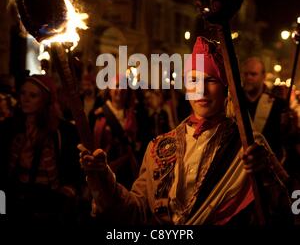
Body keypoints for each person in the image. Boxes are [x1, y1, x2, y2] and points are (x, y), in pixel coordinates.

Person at [79, 37, 292, 225]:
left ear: (226, 87)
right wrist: (102, 177)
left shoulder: (249, 144)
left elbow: (291, 205)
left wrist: (265, 173)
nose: (200, 89)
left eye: (210, 80)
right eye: (193, 80)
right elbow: (136, 211)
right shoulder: (159, 147)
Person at [1, 74, 82, 225]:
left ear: (45, 99)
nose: (25, 99)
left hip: (48, 205)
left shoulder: (63, 132)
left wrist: (66, 194)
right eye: (23, 93)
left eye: (33, 95)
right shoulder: (10, 128)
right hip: (16, 203)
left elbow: (73, 171)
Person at [241, 57, 289, 161]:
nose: (248, 77)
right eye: (246, 74)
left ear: (263, 76)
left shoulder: (278, 104)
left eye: (253, 74)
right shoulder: (234, 103)